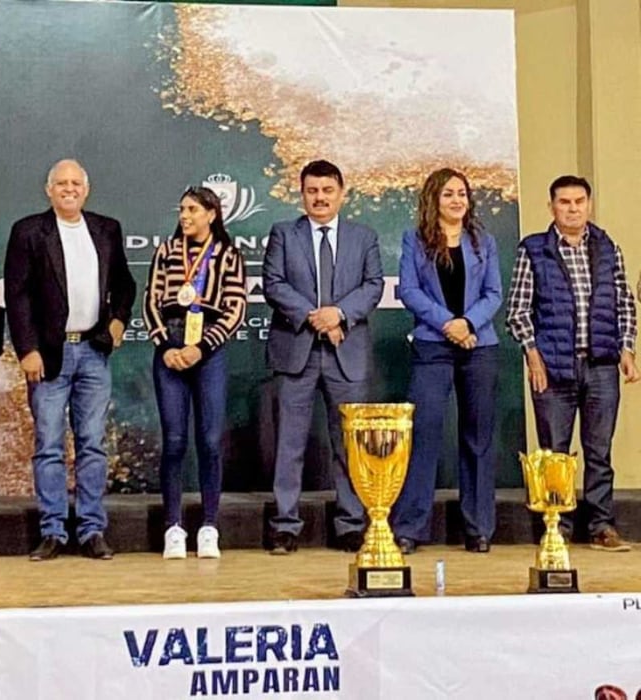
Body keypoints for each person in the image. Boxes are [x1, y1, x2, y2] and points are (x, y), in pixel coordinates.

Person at [4, 159, 135, 561]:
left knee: (93, 444)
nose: (68, 188)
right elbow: (17, 296)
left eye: (76, 182)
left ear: (87, 188)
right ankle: (53, 531)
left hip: (94, 353)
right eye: (61, 183)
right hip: (47, 355)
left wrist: (117, 321)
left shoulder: (106, 229)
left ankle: (92, 529)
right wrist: (26, 349)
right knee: (48, 445)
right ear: (48, 190)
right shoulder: (28, 231)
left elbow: (125, 285)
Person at [507, 175, 639, 552]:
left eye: (579, 201)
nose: (572, 208)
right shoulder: (533, 249)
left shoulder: (607, 247)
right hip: (552, 368)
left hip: (601, 366)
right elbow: (518, 311)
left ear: (589, 204)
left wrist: (626, 351)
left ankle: (601, 525)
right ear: (551, 207)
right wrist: (533, 357)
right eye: (564, 202)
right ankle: (556, 527)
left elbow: (624, 304)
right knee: (555, 454)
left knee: (599, 451)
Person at [262, 159, 384, 555]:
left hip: (346, 353)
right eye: (312, 191)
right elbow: (274, 284)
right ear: (302, 194)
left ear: (341, 194)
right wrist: (316, 318)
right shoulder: (284, 234)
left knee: (348, 444)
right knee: (289, 443)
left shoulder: (363, 237)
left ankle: (350, 524)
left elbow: (373, 286)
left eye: (327, 190)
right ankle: (285, 525)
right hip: (296, 351)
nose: (320, 197)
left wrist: (339, 314)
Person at [391, 168, 503, 554]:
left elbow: (493, 293)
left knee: (478, 438)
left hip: (479, 345)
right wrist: (448, 324)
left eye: (462, 194)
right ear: (433, 200)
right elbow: (408, 290)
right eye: (448, 194)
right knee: (424, 434)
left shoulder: (482, 241)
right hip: (432, 346)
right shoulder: (415, 240)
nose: (457, 200)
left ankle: (479, 528)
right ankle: (410, 528)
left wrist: (468, 323)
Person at [143, 186, 247, 559]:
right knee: (173, 441)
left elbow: (235, 309)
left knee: (209, 440)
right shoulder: (167, 252)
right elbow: (151, 301)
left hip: (209, 349)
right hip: (170, 350)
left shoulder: (229, 255)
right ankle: (173, 526)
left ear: (211, 214)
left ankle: (209, 525)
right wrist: (166, 346)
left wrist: (200, 347)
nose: (184, 216)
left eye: (192, 210)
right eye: (182, 209)